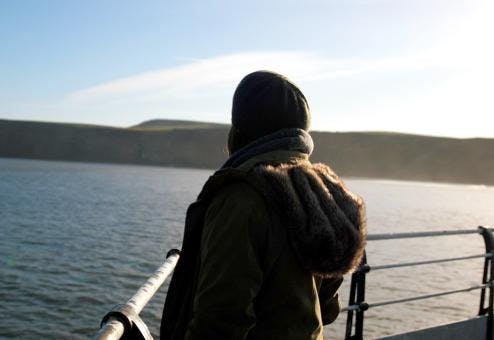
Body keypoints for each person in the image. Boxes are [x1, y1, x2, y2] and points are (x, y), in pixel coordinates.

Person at [160, 71, 366, 340]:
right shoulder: (317, 189)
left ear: (240, 129)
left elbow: (219, 321)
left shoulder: (241, 200)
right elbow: (326, 309)